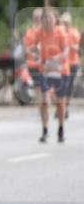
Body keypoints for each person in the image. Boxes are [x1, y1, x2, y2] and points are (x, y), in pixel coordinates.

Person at [36, 8, 70, 143]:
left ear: (55, 19)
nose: (47, 20)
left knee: (60, 103)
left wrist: (54, 60)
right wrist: (40, 60)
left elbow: (66, 51)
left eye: (49, 17)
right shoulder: (40, 34)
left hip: (61, 71)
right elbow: (37, 51)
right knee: (44, 101)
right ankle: (44, 130)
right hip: (45, 71)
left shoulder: (61, 32)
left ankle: (61, 129)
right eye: (44, 18)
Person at [60, 11, 80, 120]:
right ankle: (61, 107)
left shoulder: (74, 33)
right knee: (61, 86)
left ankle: (65, 107)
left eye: (67, 23)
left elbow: (78, 48)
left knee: (68, 87)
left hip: (73, 63)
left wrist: (72, 46)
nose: (65, 24)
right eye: (63, 22)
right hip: (62, 64)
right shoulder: (60, 33)